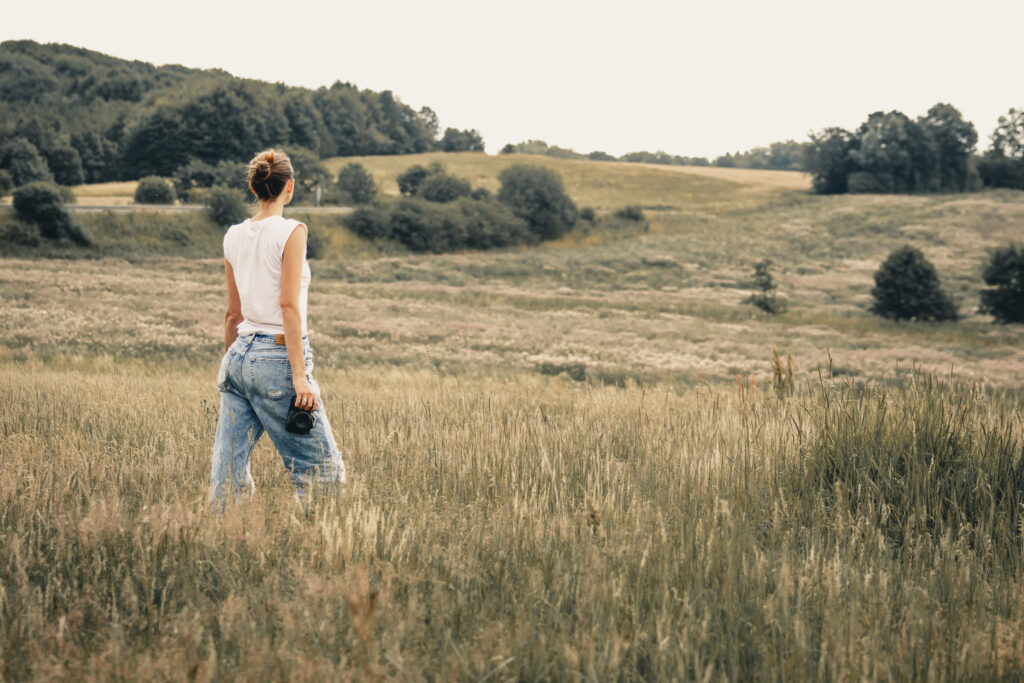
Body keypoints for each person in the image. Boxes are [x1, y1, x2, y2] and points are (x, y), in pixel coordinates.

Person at [210, 149, 345, 505]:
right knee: (322, 473)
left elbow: (232, 314)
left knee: (227, 471)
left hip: (238, 356)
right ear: (291, 188)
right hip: (276, 356)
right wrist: (299, 377)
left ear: (254, 189)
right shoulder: (292, 231)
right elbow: (288, 305)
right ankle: (320, 547)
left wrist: (235, 368)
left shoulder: (233, 235)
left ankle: (219, 536)